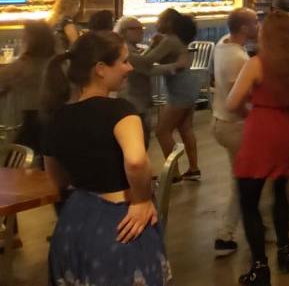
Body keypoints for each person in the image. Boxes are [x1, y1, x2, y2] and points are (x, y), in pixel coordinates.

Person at [42, 31, 170, 286]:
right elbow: (136, 161)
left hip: (74, 222)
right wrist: (142, 200)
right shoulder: (121, 111)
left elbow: (55, 179)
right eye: (124, 61)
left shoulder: (56, 117)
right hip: (119, 223)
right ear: (100, 69)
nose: (130, 68)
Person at [227, 10, 289, 285]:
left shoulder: (257, 63)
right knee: (281, 193)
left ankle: (260, 266)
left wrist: (250, 113)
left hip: (262, 129)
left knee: (249, 199)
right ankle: (285, 252)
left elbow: (232, 103)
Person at [210, 8, 259, 256]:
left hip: (219, 121)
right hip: (234, 127)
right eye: (255, 22)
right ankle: (225, 235)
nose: (259, 25)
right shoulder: (239, 58)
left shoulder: (222, 44)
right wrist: (252, 119)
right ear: (244, 28)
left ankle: (259, 226)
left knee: (245, 178)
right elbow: (237, 100)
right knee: (243, 181)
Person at [114, 16, 188, 147]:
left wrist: (152, 46)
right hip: (132, 101)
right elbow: (146, 68)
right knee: (140, 141)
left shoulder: (130, 47)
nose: (141, 31)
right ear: (124, 31)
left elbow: (143, 61)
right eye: (136, 28)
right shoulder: (124, 50)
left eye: (141, 28)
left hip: (139, 100)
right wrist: (177, 65)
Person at [147, 8, 203, 181]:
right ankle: (193, 168)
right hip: (189, 85)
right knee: (186, 129)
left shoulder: (169, 40)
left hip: (179, 89)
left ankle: (174, 173)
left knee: (162, 131)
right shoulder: (179, 39)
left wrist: (151, 47)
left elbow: (148, 61)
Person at [0, 21, 55, 158]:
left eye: (24, 37)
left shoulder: (23, 66)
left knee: (18, 157)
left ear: (30, 40)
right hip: (54, 119)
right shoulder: (57, 63)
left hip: (30, 121)